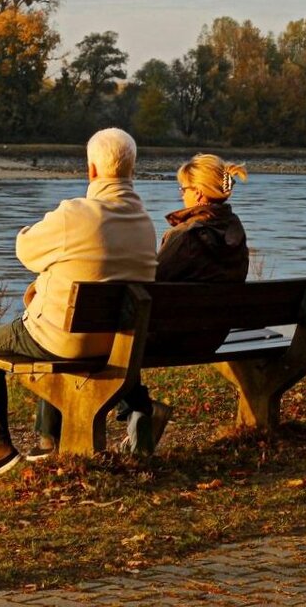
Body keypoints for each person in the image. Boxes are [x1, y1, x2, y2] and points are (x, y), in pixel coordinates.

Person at [0, 128, 157, 483]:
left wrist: (32, 236)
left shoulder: (74, 214)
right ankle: (48, 439)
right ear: (131, 170)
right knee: (58, 315)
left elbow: (25, 250)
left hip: (67, 341)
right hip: (121, 345)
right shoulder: (145, 223)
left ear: (92, 171)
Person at [118, 152, 250, 453]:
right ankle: (140, 411)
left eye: (184, 189)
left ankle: (140, 408)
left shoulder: (185, 236)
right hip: (213, 336)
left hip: (174, 339)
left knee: (112, 332)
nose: (182, 195)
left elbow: (147, 288)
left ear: (199, 193)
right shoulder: (235, 231)